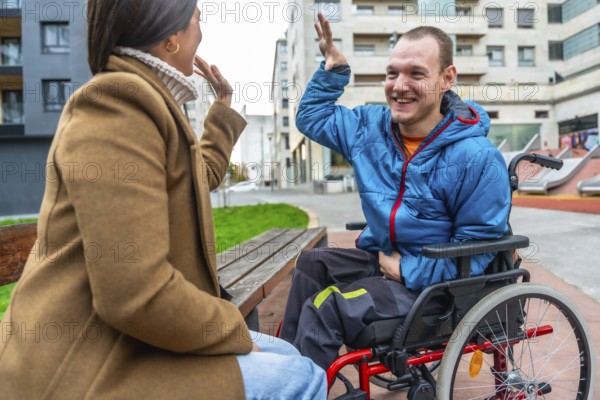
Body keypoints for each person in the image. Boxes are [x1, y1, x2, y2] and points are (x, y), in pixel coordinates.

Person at [0, 1, 326, 399]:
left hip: (121, 341)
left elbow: (194, 179)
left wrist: (222, 109)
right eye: (197, 21)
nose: (202, 33)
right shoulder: (117, 102)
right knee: (302, 375)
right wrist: (229, 330)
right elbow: (134, 294)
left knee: (288, 354)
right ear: (170, 35)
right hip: (79, 366)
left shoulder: (150, 101)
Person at [280, 13, 511, 370]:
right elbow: (311, 118)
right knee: (311, 263)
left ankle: (297, 387)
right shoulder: (367, 128)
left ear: (447, 78)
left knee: (327, 306)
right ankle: (287, 372)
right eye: (393, 73)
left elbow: (477, 249)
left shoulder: (476, 157)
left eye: (416, 74)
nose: (399, 85)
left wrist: (410, 271)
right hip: (386, 260)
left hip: (436, 287)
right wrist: (333, 71)